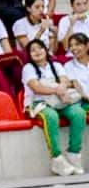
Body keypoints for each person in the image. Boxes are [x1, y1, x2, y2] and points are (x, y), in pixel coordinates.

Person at [21, 38, 87, 176]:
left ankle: (74, 153)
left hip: (58, 101)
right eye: (33, 50)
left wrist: (62, 87)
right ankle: (56, 158)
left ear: (46, 50)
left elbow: (65, 81)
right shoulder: (28, 68)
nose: (37, 52)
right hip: (37, 103)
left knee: (78, 113)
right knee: (51, 116)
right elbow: (36, 87)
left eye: (39, 48)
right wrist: (57, 90)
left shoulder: (56, 65)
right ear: (29, 54)